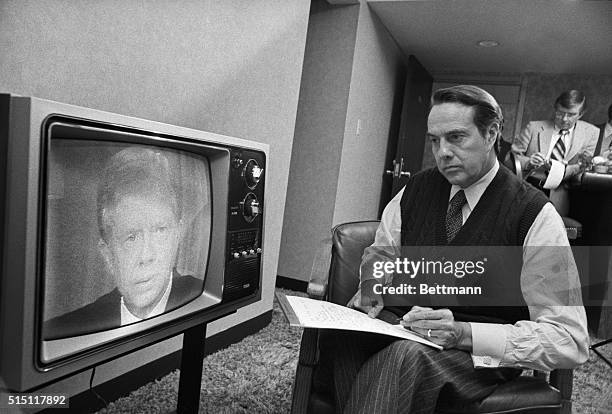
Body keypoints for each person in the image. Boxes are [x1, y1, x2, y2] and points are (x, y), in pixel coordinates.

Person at [321, 85, 589, 414]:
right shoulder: (416, 189)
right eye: (435, 140)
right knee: (342, 338)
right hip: (404, 325)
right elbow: (383, 250)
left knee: (404, 358)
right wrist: (371, 285)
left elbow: (569, 338)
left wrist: (462, 333)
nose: (442, 152)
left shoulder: (534, 215)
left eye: (456, 137)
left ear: (491, 134)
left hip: (475, 353)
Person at [44, 147, 202, 340]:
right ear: (107, 254)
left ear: (177, 235)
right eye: (131, 237)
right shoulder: (64, 329)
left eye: (160, 230)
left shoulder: (200, 294)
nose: (146, 256)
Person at [511, 90, 599, 213]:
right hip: (529, 188)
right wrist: (529, 162)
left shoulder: (591, 132)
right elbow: (509, 159)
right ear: (555, 109)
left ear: (581, 114)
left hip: (562, 193)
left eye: (571, 114)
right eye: (560, 113)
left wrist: (564, 169)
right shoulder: (533, 127)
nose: (564, 119)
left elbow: (584, 165)